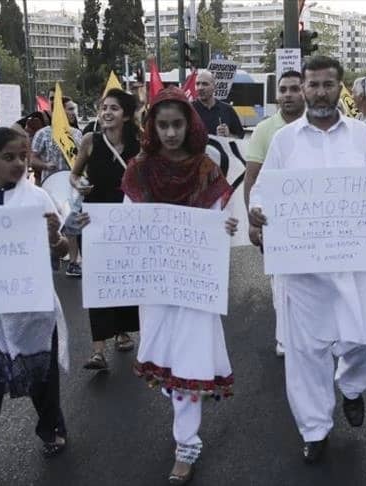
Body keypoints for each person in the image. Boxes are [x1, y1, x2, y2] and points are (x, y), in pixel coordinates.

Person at [248, 56, 366, 463]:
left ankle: (350, 386)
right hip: (304, 272)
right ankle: (315, 430)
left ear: (340, 88)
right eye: (314, 85)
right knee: (305, 354)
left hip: (355, 267)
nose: (320, 91)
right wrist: (258, 212)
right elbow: (263, 192)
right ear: (305, 88)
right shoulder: (285, 141)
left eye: (329, 84)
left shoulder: (361, 139)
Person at [117, 87, 238, 485]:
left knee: (190, 363)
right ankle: (182, 411)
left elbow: (222, 215)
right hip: (156, 284)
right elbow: (127, 221)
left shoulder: (207, 169)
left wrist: (228, 227)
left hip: (196, 282)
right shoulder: (138, 170)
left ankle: (186, 445)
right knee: (167, 362)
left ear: (190, 125)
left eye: (177, 124)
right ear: (152, 126)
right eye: (163, 125)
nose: (170, 133)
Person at [0, 127, 72, 485]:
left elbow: (63, 251)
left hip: (32, 316)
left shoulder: (38, 199)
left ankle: (51, 427)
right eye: (9, 157)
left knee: (41, 383)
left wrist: (54, 237)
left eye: (23, 156)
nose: (19, 164)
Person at [70, 89, 141, 370]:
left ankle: (122, 332)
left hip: (129, 222)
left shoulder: (140, 143)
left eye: (114, 108)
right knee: (98, 280)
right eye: (104, 108)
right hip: (95, 221)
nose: (107, 113)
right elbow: (74, 174)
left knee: (125, 278)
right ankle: (98, 349)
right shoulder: (90, 141)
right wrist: (78, 184)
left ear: (125, 114)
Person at [243, 70, 306, 358]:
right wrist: (252, 221)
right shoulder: (264, 130)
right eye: (284, 90)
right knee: (280, 283)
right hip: (275, 222)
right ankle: (284, 336)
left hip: (310, 224)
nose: (289, 95)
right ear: (277, 95)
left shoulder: (316, 128)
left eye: (295, 89)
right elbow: (252, 178)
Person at [31, 96, 84, 276]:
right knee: (53, 224)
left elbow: (84, 160)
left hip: (71, 187)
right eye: (69, 109)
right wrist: (45, 165)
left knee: (72, 222)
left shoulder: (77, 134)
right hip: (51, 187)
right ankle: (54, 250)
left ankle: (74, 262)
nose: (72, 113)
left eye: (73, 109)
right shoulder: (43, 134)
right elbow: (32, 158)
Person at [192, 70, 244, 138]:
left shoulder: (227, 110)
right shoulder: (188, 109)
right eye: (197, 84)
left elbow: (240, 137)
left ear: (214, 87)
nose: (200, 88)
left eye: (205, 84)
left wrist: (228, 135)